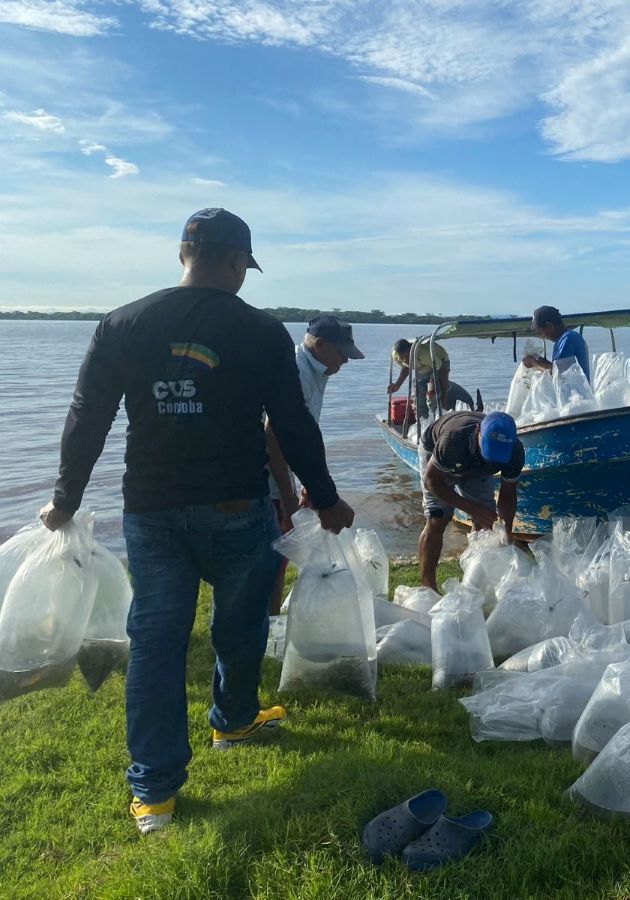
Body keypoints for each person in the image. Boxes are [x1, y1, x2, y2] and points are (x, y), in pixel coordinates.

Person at [39, 207, 355, 834]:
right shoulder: (261, 331)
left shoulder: (122, 323)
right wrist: (325, 499)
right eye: (244, 267)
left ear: (184, 254)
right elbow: (291, 424)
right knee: (239, 625)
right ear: (236, 262)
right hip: (237, 509)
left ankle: (154, 794)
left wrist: (65, 500)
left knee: (157, 642)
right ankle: (232, 723)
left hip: (150, 513)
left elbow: (86, 416)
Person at [264, 314, 364, 613]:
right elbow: (273, 435)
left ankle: (272, 619)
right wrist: (287, 495)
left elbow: (302, 434)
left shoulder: (316, 369)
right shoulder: (297, 372)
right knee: (272, 557)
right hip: (265, 479)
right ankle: (269, 621)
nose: (345, 361)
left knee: (279, 555)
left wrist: (309, 481)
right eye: (341, 353)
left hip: (281, 475)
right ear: (320, 345)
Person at [418, 411, 524, 591]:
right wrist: (473, 509)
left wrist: (506, 531)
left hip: (477, 469)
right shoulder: (453, 439)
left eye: (499, 455)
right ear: (477, 431)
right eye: (489, 451)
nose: (491, 459)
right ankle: (428, 589)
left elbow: (507, 494)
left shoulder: (515, 452)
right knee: (437, 518)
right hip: (439, 459)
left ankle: (474, 587)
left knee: (484, 525)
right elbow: (432, 482)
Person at [522, 305, 591, 382]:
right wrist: (542, 362)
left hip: (575, 390)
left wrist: (534, 363)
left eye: (541, 332)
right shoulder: (570, 337)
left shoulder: (567, 339)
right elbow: (561, 368)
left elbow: (559, 374)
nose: (542, 336)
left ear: (549, 326)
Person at [388, 337, 450, 418]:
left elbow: (443, 371)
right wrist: (397, 385)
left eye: (407, 356)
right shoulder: (396, 355)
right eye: (402, 357)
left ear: (411, 351)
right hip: (422, 368)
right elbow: (406, 367)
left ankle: (438, 419)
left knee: (432, 396)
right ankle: (423, 421)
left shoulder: (423, 353)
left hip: (439, 365)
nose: (405, 360)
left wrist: (445, 395)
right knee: (418, 400)